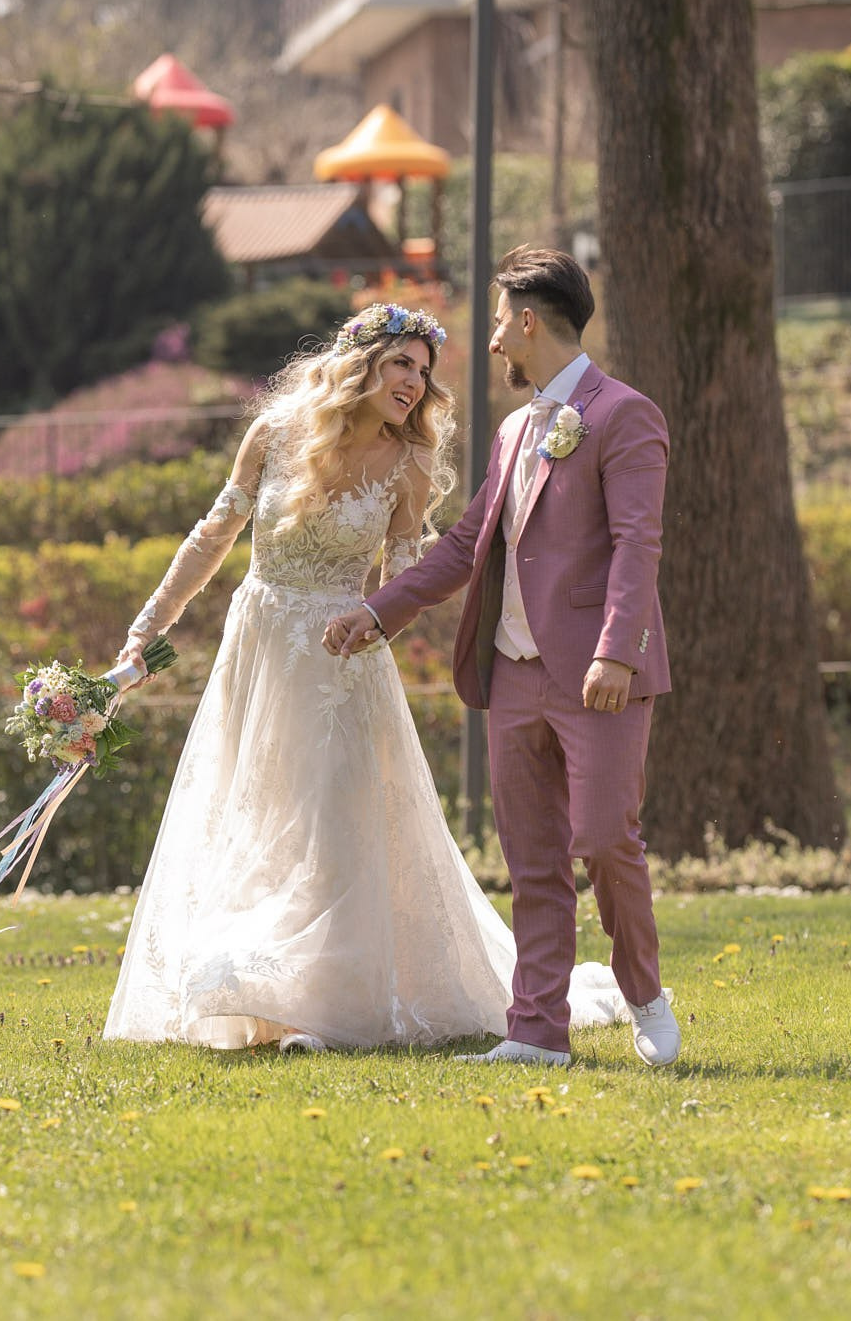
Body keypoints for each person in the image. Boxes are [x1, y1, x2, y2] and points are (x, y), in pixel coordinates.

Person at [103, 302, 631, 1052]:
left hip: (342, 665)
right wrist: (144, 631)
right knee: (252, 814)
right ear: (361, 364)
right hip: (258, 650)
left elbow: (406, 579)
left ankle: (318, 1007)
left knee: (329, 829)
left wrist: (376, 623)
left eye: (424, 371)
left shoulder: (410, 464)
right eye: (401, 365)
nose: (416, 383)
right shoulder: (275, 433)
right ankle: (255, 989)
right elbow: (212, 536)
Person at [327, 247, 680, 1069]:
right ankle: (536, 1031)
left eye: (496, 321)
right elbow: (466, 545)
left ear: (527, 320)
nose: (490, 342)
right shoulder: (518, 428)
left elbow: (639, 542)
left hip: (600, 674)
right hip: (514, 673)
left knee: (603, 838)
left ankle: (645, 993)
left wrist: (617, 653)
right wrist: (378, 611)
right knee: (532, 858)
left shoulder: (626, 414)